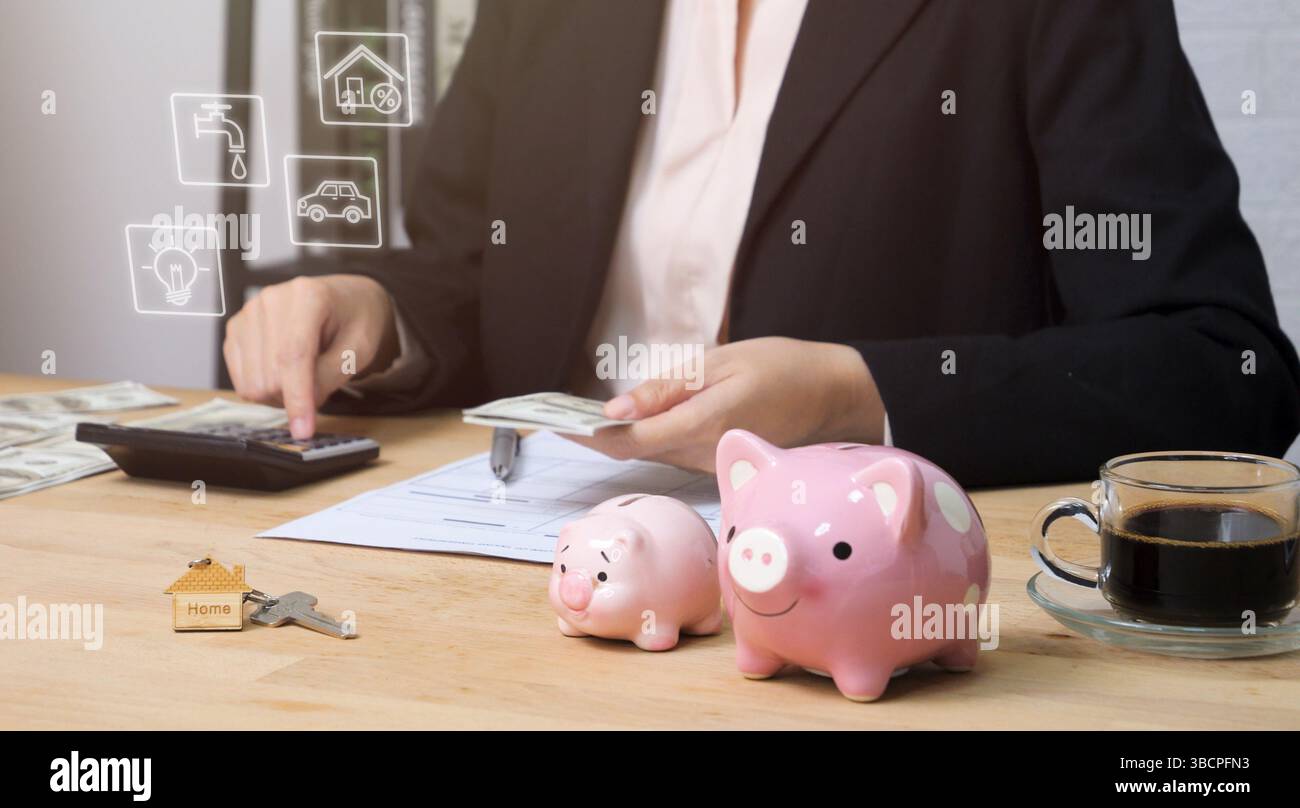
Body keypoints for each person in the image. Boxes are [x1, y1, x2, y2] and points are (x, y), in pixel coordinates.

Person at [223, 0, 1300, 486]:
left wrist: (855, 394)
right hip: (527, 591)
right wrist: (382, 313)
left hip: (863, 632)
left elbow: (1220, 366)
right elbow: (471, 268)